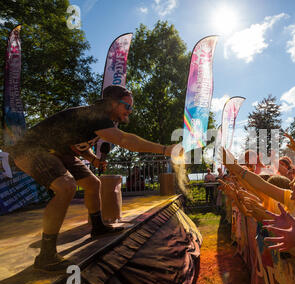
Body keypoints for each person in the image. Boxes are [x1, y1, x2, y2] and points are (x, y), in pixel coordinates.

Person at [6, 85, 179, 271]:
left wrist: (94, 160)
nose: (130, 111)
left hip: (59, 151)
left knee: (92, 184)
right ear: (112, 103)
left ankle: (97, 227)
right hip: (30, 150)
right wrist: (165, 150)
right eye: (127, 106)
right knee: (66, 187)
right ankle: (46, 255)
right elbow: (126, 141)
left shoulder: (96, 120)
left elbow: (78, 146)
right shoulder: (97, 115)